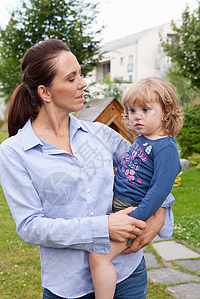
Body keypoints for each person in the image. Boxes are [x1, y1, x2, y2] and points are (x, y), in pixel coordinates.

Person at [0, 39, 169, 299]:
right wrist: (103, 227)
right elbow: (31, 227)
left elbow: (151, 169)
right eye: (71, 78)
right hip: (68, 287)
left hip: (127, 273)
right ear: (46, 92)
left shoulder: (101, 134)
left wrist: (159, 214)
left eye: (80, 73)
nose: (83, 83)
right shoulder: (14, 152)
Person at [88, 77, 184, 299]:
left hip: (131, 212)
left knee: (98, 256)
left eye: (145, 109)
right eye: (132, 110)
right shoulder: (142, 139)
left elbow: (160, 190)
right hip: (117, 207)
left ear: (166, 114)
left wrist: (137, 219)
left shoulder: (165, 148)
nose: (136, 116)